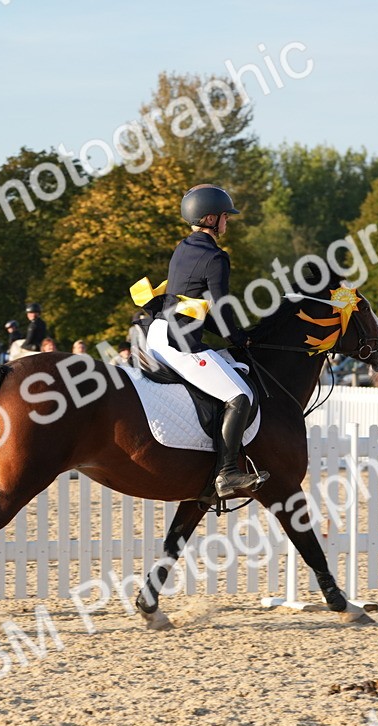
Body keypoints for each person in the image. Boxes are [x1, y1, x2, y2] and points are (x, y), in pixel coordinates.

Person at [144, 183, 267, 499]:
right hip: (179, 343)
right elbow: (221, 307)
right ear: (212, 218)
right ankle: (226, 474)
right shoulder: (216, 257)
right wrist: (238, 337)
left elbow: (195, 305)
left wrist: (233, 337)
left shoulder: (183, 247)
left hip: (158, 332)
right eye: (226, 216)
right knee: (240, 394)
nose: (228, 221)